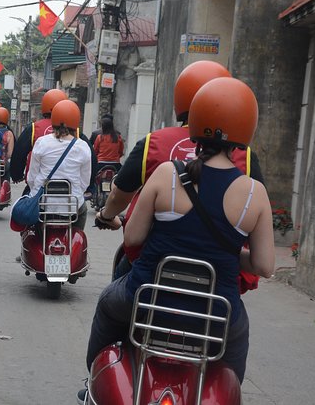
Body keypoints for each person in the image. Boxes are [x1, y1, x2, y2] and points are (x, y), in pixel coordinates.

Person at [80, 77, 275, 403]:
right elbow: (264, 266)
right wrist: (224, 254)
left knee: (106, 305)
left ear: (195, 119)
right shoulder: (254, 193)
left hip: (146, 299)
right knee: (236, 344)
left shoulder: (168, 174)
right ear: (246, 129)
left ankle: (94, 380)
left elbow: (132, 237)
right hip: (216, 314)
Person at [95, 60, 264, 283]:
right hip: (217, 277)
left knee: (111, 301)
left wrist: (107, 216)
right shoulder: (246, 157)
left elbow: (122, 200)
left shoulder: (154, 144)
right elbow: (262, 254)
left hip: (155, 265)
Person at [10, 89, 97, 196]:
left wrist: (17, 175)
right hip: (71, 197)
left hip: (41, 192)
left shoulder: (34, 130)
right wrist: (88, 187)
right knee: (82, 210)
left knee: (23, 208)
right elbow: (91, 162)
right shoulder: (78, 136)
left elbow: (19, 154)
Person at [27, 100, 91, 230]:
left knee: (30, 228)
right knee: (83, 210)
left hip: (43, 204)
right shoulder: (83, 146)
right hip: (72, 206)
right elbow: (84, 182)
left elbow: (32, 177)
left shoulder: (41, 142)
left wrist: (35, 190)